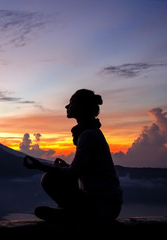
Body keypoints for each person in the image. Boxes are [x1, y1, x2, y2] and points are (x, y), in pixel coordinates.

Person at [23, 89, 123, 223]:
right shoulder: (91, 132)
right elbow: (84, 169)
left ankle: (72, 213)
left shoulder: (87, 135)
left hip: (103, 206)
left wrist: (40, 166)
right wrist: (67, 166)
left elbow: (73, 173)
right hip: (109, 204)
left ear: (81, 108)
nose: (66, 107)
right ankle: (71, 212)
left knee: (49, 179)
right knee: (57, 176)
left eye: (70, 103)